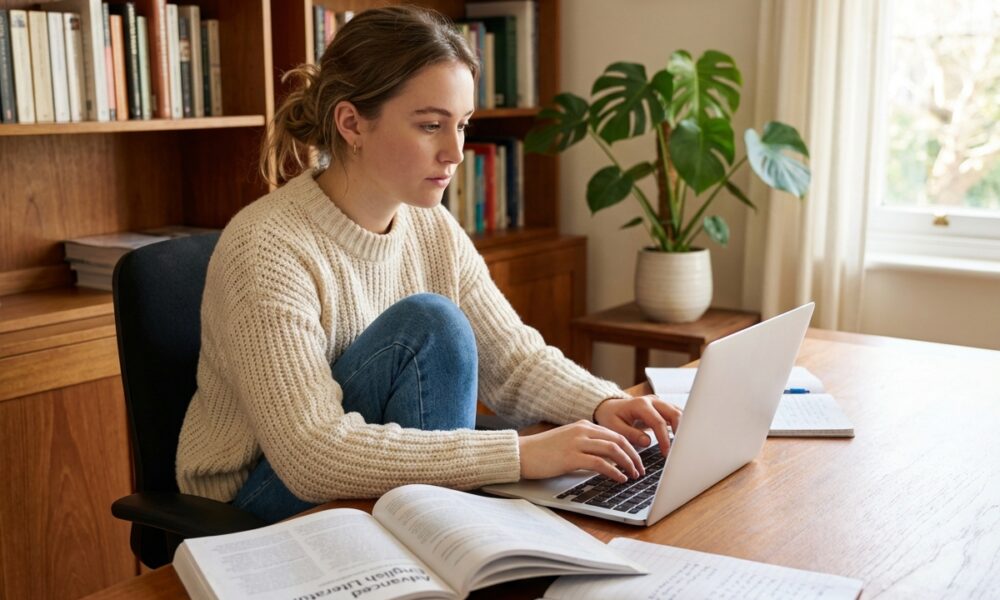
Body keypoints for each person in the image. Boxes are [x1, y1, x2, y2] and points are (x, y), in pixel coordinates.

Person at [176, 5, 681, 523]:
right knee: (431, 322)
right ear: (351, 123)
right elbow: (312, 455)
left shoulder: (430, 225)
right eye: (431, 125)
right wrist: (520, 455)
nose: (456, 153)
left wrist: (603, 403)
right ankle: (450, 539)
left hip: (366, 470)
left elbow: (512, 361)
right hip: (258, 499)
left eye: (461, 125)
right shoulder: (267, 246)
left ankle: (448, 541)